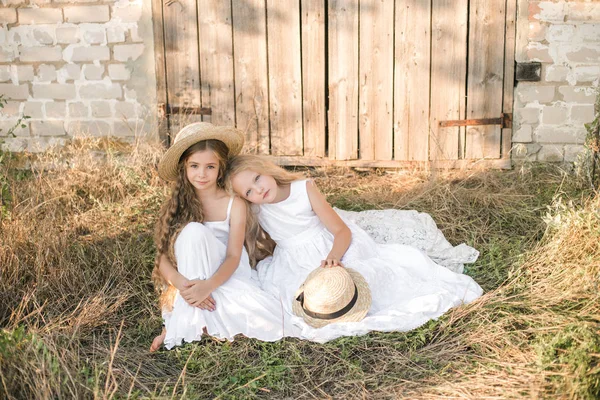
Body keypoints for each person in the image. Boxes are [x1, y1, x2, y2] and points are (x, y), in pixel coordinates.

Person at [226, 155, 484, 343]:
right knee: (303, 298)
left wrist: (334, 257)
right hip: (292, 259)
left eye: (257, 178)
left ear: (266, 169)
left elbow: (341, 231)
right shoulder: (257, 209)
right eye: (249, 191)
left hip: (331, 246)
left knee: (361, 280)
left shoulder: (303, 189)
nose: (259, 189)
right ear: (246, 199)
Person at [150, 123, 297, 351]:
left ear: (220, 168)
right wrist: (183, 286)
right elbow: (162, 258)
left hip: (225, 272)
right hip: (190, 276)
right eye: (194, 166)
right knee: (192, 233)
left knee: (261, 316)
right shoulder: (177, 205)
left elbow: (233, 255)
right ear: (184, 168)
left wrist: (207, 286)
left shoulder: (233, 204)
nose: (202, 174)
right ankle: (183, 319)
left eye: (210, 166)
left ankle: (181, 327)